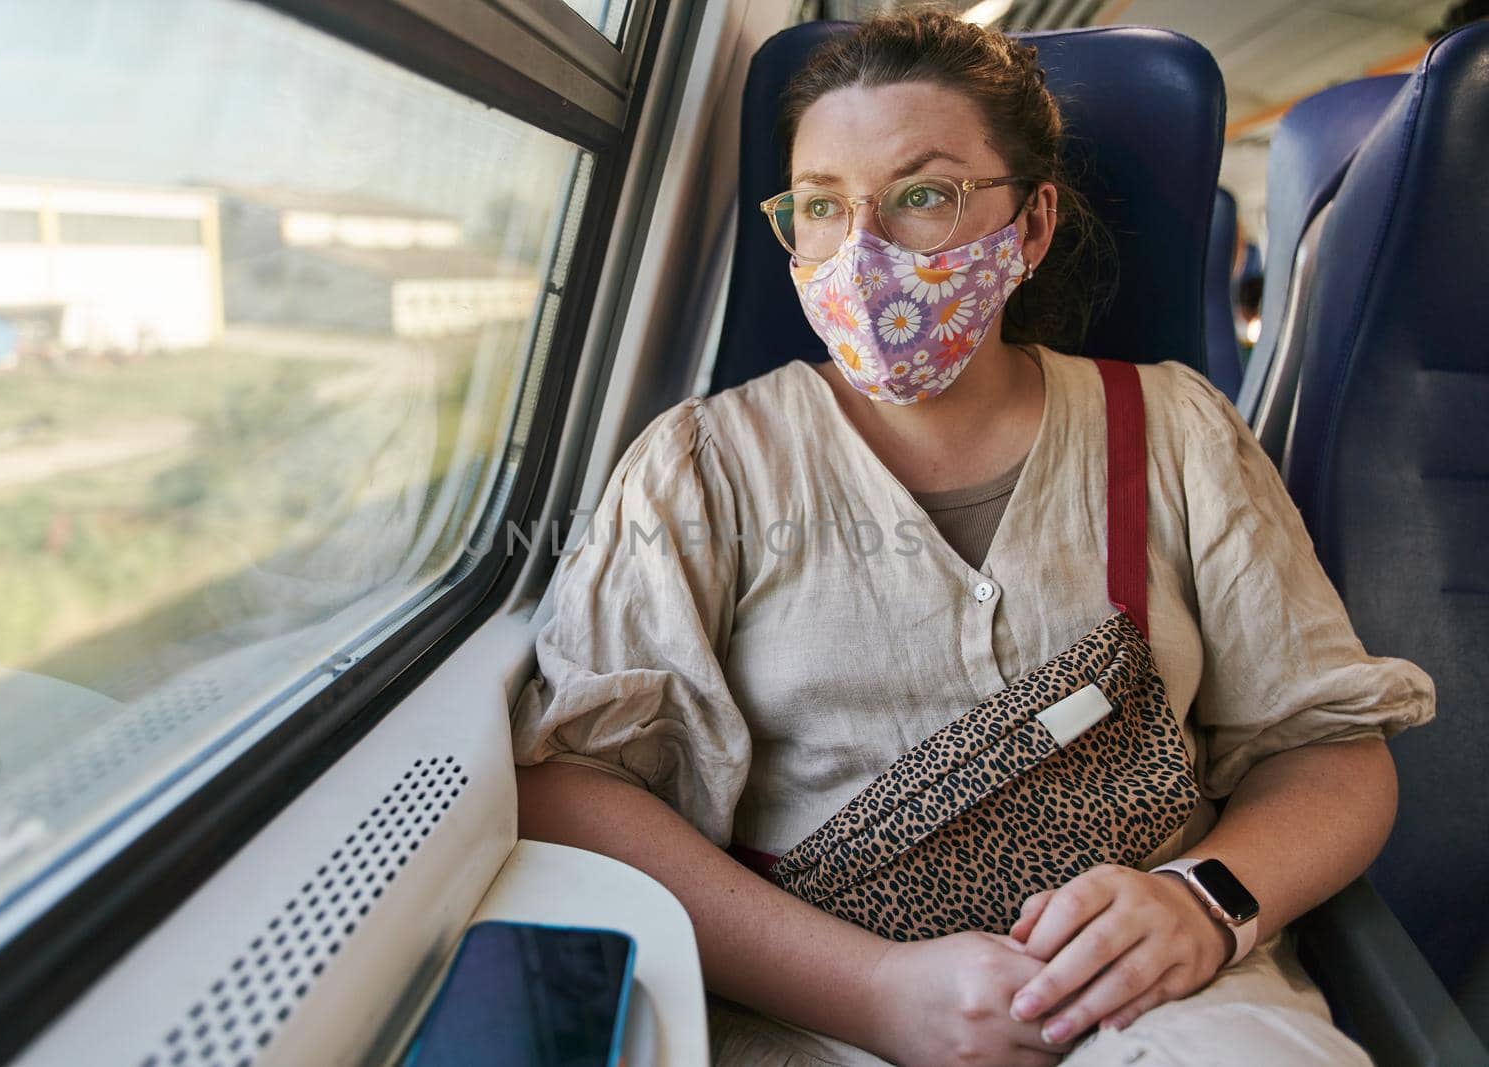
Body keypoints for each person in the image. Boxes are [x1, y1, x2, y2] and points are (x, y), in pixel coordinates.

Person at [511, 9, 1435, 1066]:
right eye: (820, 206)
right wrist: (873, 990)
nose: (861, 253)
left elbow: (1326, 746)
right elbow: (575, 785)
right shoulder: (701, 464)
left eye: (922, 195)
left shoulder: (1175, 429)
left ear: (1031, 225)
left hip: (1160, 1001)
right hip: (815, 1012)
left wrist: (1204, 898)